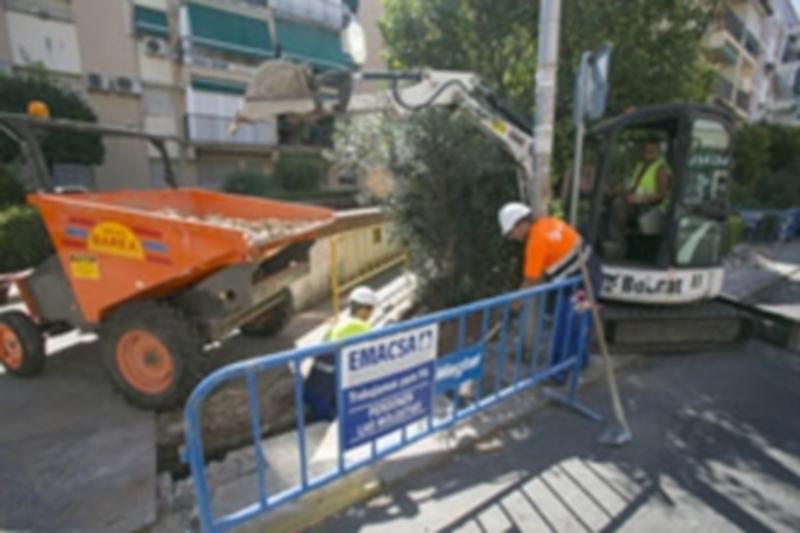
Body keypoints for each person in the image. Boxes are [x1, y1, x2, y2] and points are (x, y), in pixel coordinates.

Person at [498, 202, 604, 380]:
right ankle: (581, 361)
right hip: (592, 275)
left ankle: (558, 373)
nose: (513, 238)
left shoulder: (536, 241)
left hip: (579, 286)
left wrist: (516, 304)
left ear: (521, 223)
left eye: (511, 233)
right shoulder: (549, 223)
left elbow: (531, 279)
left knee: (566, 326)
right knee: (581, 323)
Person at [303, 285, 379, 421]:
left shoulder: (338, 325)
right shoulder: (362, 327)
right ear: (363, 309)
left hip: (312, 388)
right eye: (370, 310)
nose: (370, 314)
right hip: (330, 394)